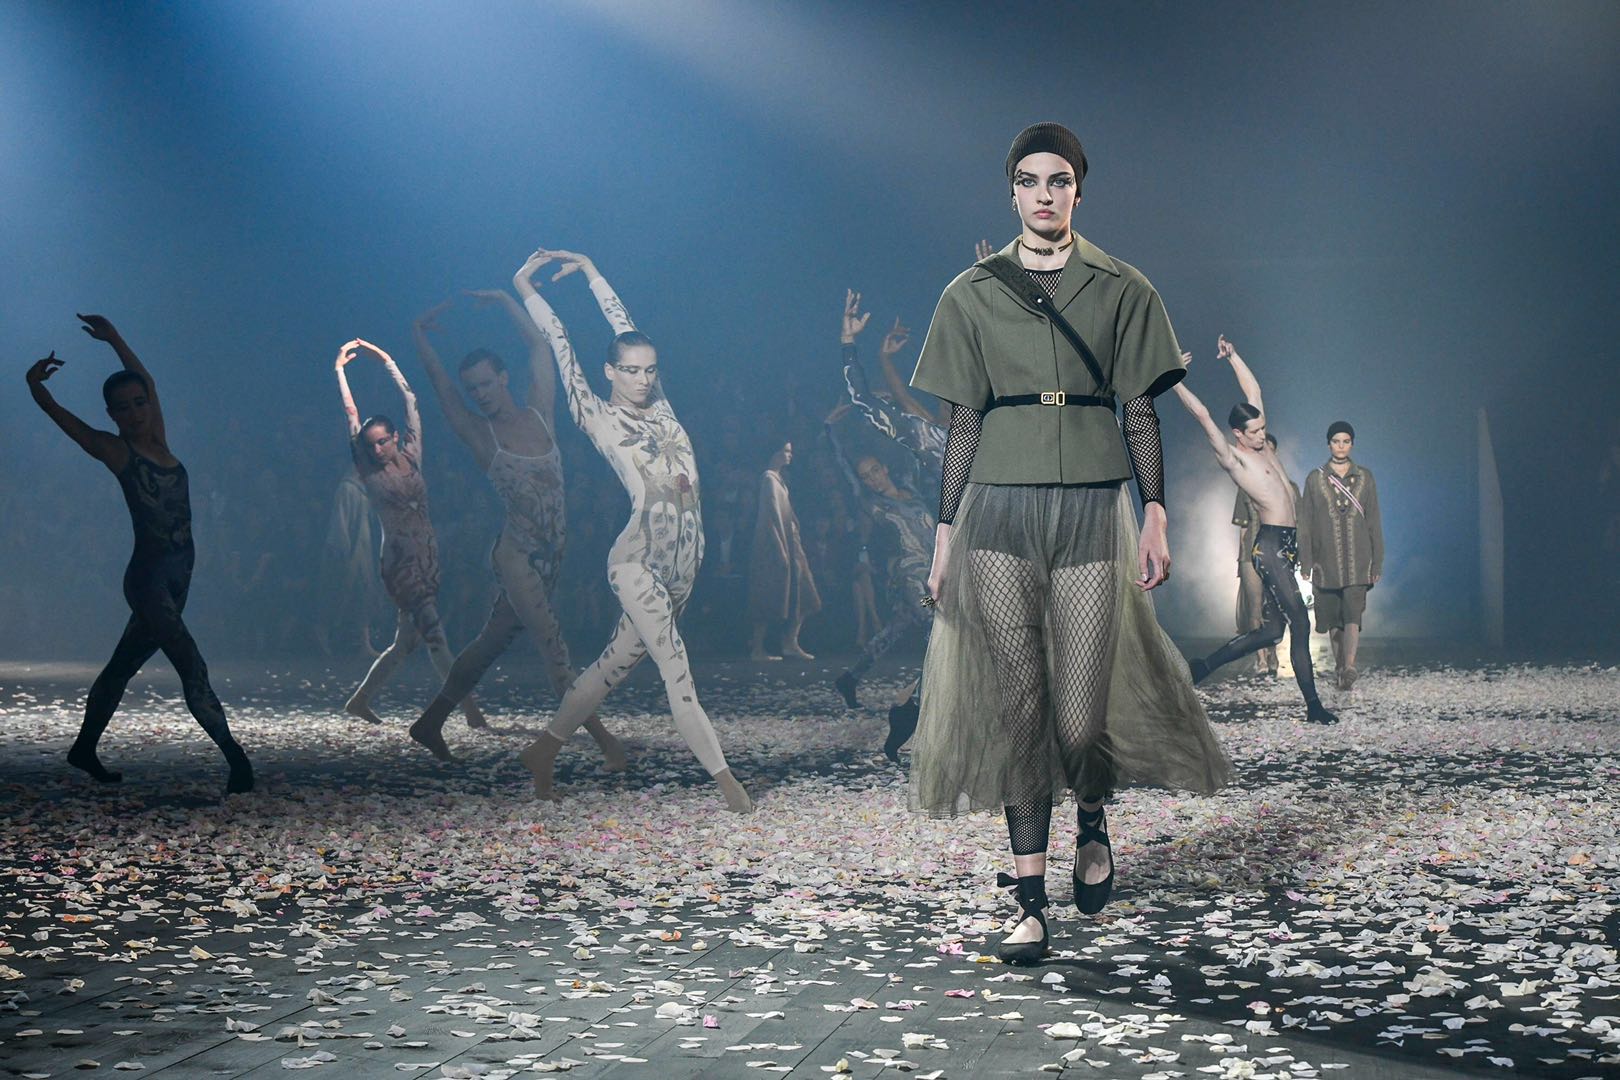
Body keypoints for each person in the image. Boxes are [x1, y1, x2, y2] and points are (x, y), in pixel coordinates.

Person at [909, 124, 1231, 964]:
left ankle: (1092, 814)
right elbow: (963, 421)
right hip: (996, 513)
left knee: (1081, 722)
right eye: (1028, 180)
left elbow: (1140, 410)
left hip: (1092, 506)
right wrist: (943, 534)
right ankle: (1029, 904)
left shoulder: (1123, 286)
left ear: (1079, 191)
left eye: (1058, 180)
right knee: (1022, 709)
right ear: (1011, 192)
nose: (1044, 194)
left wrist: (1155, 512)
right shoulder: (971, 293)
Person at [512, 248, 751, 813]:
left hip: (683, 567)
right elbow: (561, 343)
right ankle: (729, 786)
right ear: (610, 372)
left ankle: (543, 750)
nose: (642, 379)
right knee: (676, 666)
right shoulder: (595, 413)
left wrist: (592, 271)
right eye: (630, 370)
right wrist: (524, 285)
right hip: (637, 561)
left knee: (611, 666)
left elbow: (625, 322)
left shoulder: (662, 407)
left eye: (649, 370)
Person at [25, 315, 253, 793]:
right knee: (191, 663)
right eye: (123, 408)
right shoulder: (118, 451)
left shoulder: (160, 440)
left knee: (122, 666)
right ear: (112, 415)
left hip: (177, 579)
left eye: (139, 403)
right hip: (149, 581)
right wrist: (36, 387)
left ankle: (84, 747)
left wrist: (115, 339)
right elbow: (68, 423)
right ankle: (236, 760)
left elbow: (146, 379)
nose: (135, 412)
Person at [402, 293, 623, 766]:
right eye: (473, 388)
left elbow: (540, 347)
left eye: (486, 383)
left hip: (550, 556)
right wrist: (419, 335)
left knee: (491, 642)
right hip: (517, 555)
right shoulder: (479, 433)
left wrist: (506, 300)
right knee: (554, 646)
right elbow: (441, 386)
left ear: (503, 378)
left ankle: (430, 722)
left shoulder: (539, 410)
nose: (479, 394)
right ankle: (606, 743)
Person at [1175, 336, 1336, 724]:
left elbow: (1254, 391)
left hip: (1288, 544)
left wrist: (1233, 357)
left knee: (1271, 632)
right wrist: (1174, 379)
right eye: (1255, 432)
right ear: (1238, 434)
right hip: (1270, 547)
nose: (1263, 436)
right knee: (1300, 622)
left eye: (1263, 428)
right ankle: (1314, 706)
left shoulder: (1263, 446)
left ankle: (1202, 667)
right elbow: (1203, 416)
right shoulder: (1235, 459)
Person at [334, 338, 487, 728]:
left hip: (427, 556)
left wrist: (387, 360)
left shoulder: (412, 456)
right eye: (372, 444)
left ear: (395, 438)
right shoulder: (369, 471)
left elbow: (411, 401)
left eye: (383, 441)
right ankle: (469, 709)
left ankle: (359, 700)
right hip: (401, 562)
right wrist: (339, 372)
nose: (378, 449)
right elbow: (351, 417)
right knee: (434, 634)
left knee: (405, 643)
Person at [1298, 421, 1383, 689]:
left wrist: (1377, 561)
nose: (1341, 446)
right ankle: (1340, 666)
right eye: (1336, 441)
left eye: (1346, 441)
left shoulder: (1365, 477)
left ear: (1352, 444)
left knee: (1353, 615)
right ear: (1328, 444)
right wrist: (1306, 561)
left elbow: (1374, 521)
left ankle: (1349, 666)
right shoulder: (1315, 479)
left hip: (1359, 559)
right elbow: (1305, 523)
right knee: (1333, 619)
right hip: (1326, 561)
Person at [747, 442, 821, 661]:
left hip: (791, 542)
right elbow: (770, 515)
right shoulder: (769, 479)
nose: (790, 455)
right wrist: (780, 547)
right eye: (786, 451)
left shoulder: (779, 479)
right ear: (775, 451)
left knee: (804, 592)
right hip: (775, 544)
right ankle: (758, 648)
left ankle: (790, 641)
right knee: (769, 595)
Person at [1232, 433, 1297, 677]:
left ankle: (1272, 652)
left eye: (1268, 449)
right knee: (1255, 608)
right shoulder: (1244, 486)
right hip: (1251, 554)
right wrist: (1241, 559)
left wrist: (1295, 557)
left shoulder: (1289, 487)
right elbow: (1243, 528)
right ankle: (1260, 657)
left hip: (1279, 554)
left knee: (1276, 608)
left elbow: (1297, 525)